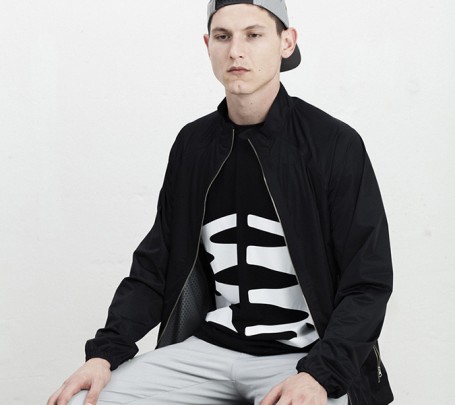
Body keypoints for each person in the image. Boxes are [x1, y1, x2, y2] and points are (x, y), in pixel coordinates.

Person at [48, 1, 394, 404]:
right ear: (207, 45)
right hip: (211, 351)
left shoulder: (333, 144)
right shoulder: (194, 145)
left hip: (304, 358)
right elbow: (156, 265)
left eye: (254, 35)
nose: (236, 51)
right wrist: (105, 353)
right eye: (223, 36)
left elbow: (367, 282)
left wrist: (321, 374)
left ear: (286, 42)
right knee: (80, 401)